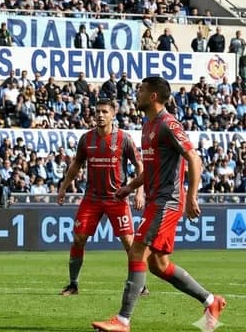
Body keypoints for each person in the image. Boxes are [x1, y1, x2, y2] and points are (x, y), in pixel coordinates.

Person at [92, 77, 225, 332]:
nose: (137, 93)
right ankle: (211, 301)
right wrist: (131, 186)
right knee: (158, 264)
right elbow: (152, 169)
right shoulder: (147, 126)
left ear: (153, 96)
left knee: (137, 251)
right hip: (156, 199)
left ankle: (122, 320)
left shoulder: (168, 124)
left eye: (141, 90)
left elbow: (194, 159)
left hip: (168, 201)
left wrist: (193, 196)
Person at [57, 98, 146, 296]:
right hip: (92, 198)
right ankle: (73, 284)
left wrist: (140, 192)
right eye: (97, 111)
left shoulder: (124, 138)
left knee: (129, 242)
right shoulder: (86, 139)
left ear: (113, 114)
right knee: (78, 239)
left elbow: (140, 166)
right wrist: (63, 187)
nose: (99, 115)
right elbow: (76, 165)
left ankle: (139, 284)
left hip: (117, 198)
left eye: (104, 111)